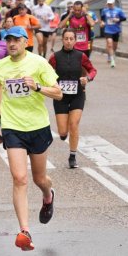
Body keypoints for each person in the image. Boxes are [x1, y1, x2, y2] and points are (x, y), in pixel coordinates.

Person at [0, 26, 62, 251]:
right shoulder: (0, 66)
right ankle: (24, 231)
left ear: (25, 41)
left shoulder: (39, 63)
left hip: (38, 127)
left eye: (15, 40)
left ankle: (48, 195)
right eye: (7, 40)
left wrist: (37, 86)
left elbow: (58, 92)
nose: (11, 44)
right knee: (19, 178)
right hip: (12, 128)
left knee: (39, 179)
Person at [49, 29, 97, 168]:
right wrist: (51, 83)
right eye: (66, 39)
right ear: (62, 40)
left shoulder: (81, 56)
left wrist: (87, 78)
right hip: (61, 96)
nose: (69, 41)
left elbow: (93, 70)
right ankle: (65, 134)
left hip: (77, 95)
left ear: (75, 40)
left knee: (74, 125)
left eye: (71, 39)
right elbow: (45, 71)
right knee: (63, 132)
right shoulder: (55, 57)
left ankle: (72, 156)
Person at [100, 0, 127, 68]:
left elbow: (124, 18)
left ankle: (111, 54)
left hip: (116, 30)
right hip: (107, 30)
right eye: (108, 4)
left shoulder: (118, 10)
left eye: (111, 4)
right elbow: (102, 18)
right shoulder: (104, 11)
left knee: (114, 46)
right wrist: (102, 23)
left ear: (113, 3)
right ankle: (112, 60)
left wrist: (118, 20)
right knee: (109, 44)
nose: (109, 5)